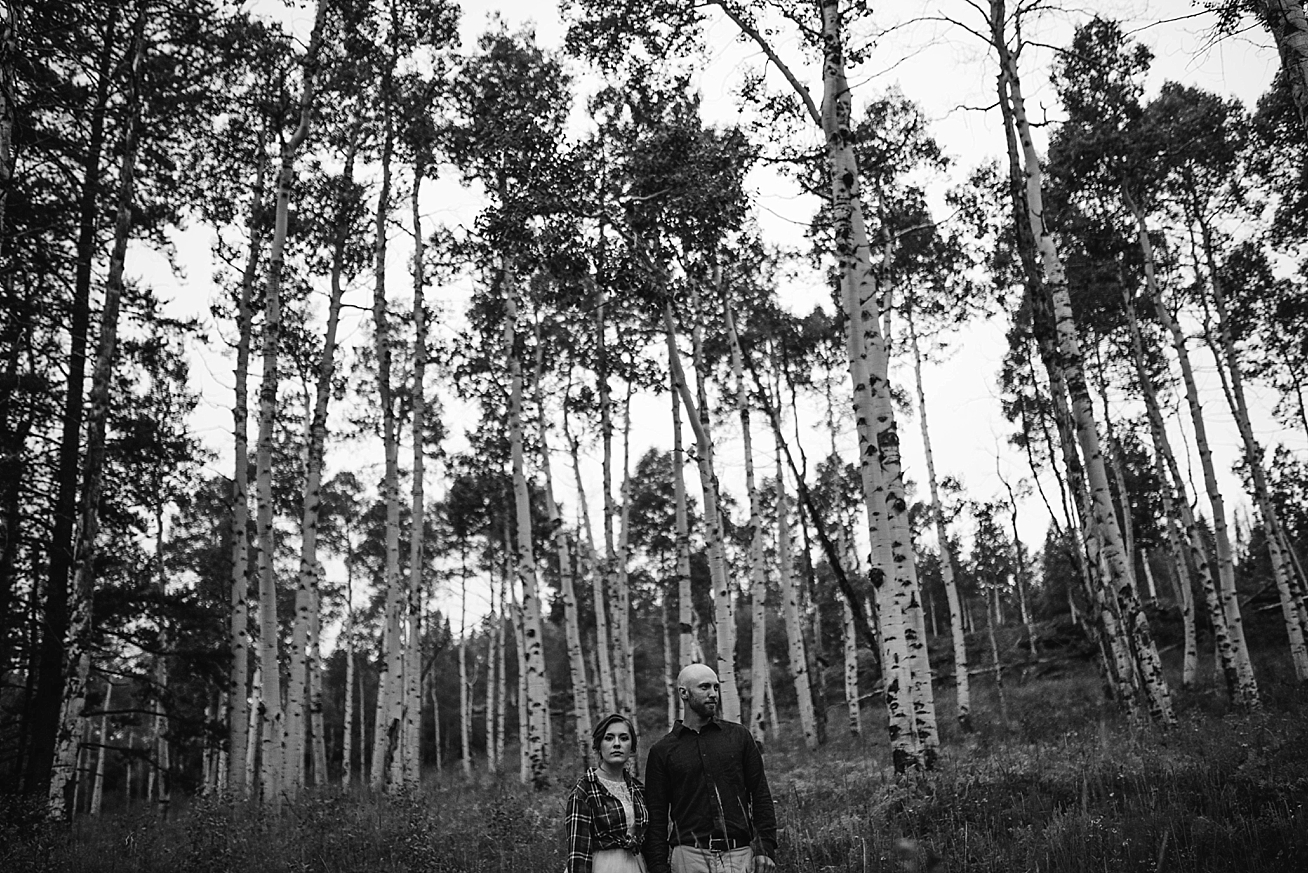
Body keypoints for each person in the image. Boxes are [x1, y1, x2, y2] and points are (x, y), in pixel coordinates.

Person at [643, 664, 778, 873]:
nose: (713, 694)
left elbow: (760, 794)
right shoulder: (662, 751)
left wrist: (764, 848)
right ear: (684, 693)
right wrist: (658, 866)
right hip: (689, 857)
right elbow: (657, 817)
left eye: (716, 687)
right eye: (704, 687)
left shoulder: (739, 737)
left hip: (739, 855)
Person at [565, 713, 650, 873]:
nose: (617, 744)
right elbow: (578, 852)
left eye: (624, 738)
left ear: (632, 747)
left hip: (635, 865)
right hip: (601, 866)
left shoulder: (638, 789)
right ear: (598, 745)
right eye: (609, 738)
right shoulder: (585, 789)